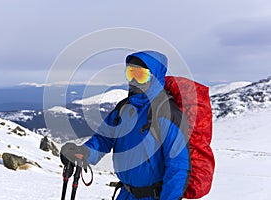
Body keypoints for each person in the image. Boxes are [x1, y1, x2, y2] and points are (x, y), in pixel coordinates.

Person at [60, 50, 191, 200]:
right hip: (125, 194)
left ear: (154, 77)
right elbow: (104, 139)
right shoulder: (124, 108)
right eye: (130, 73)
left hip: (153, 196)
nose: (134, 80)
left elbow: (179, 167)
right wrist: (84, 152)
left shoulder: (167, 114)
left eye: (140, 75)